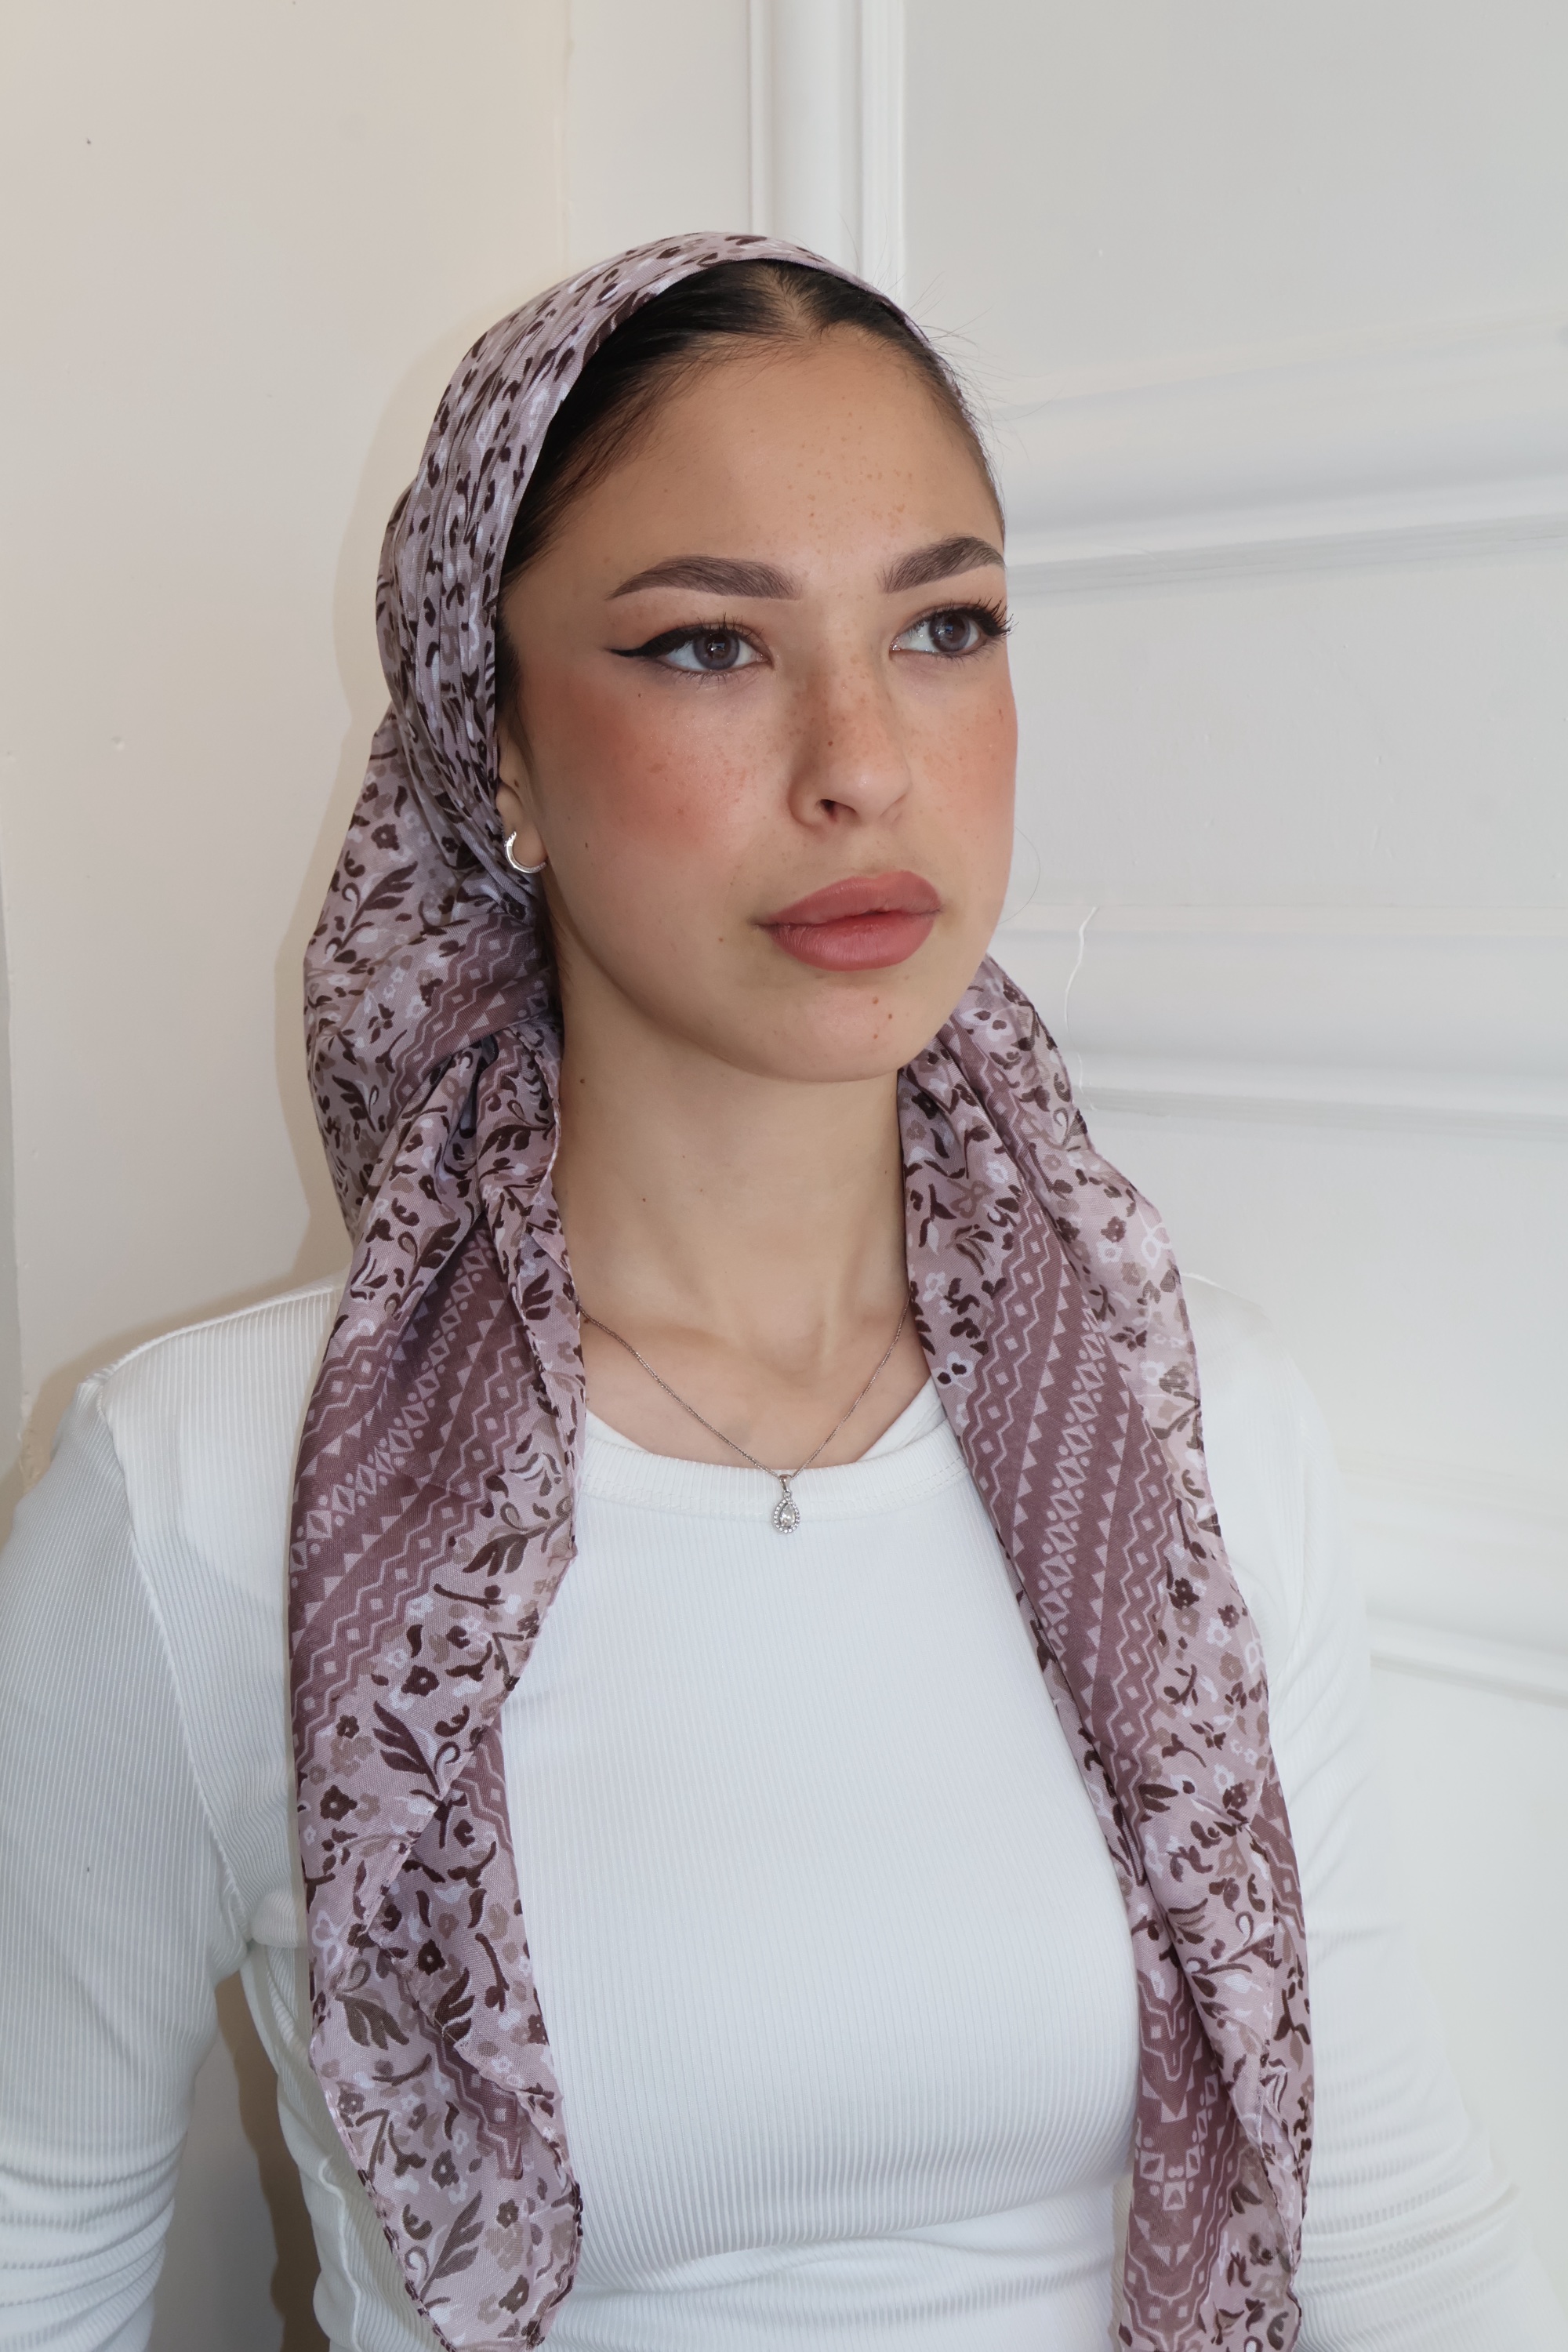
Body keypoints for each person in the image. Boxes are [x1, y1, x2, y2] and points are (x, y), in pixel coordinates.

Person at [0, 234, 1560, 2352]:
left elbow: (1388, 2234)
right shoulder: (202, 1494)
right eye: (709, 647)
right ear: (497, 754)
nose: (862, 760)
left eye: (943, 626)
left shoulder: (1199, 1421)